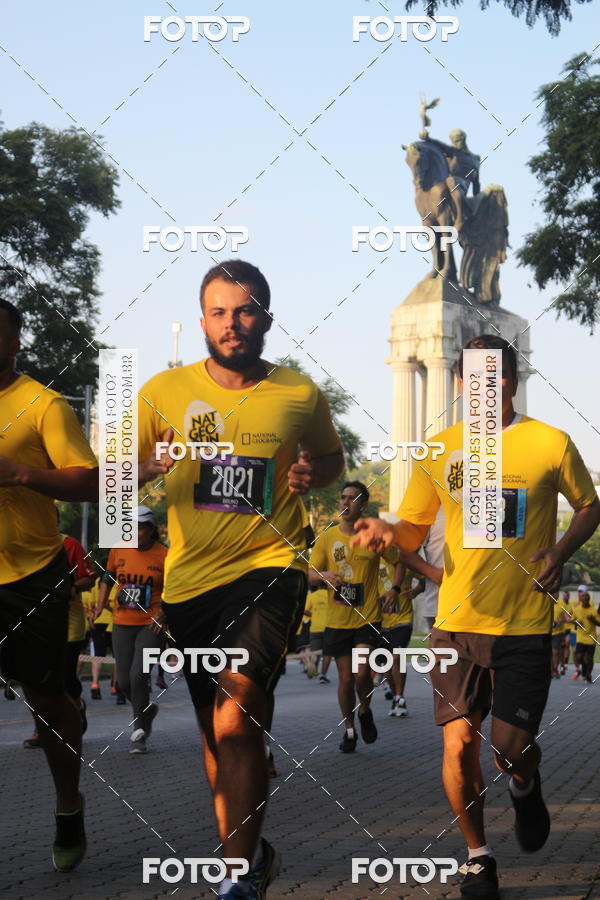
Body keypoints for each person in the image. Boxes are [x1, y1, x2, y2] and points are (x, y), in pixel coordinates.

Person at [350, 334, 600, 900]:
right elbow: (413, 529)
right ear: (461, 383)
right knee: (458, 745)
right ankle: (478, 857)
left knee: (509, 747)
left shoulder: (550, 443)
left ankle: (524, 782)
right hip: (456, 623)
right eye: (475, 378)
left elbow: (590, 505)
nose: (486, 388)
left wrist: (560, 551)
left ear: (513, 381)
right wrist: (388, 531)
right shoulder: (439, 450)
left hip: (524, 623)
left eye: (498, 377)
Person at [136, 260, 343, 899]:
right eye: (220, 312)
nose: (232, 323)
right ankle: (251, 850)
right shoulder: (161, 392)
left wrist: (312, 474)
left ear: (266, 319)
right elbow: (111, 479)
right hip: (190, 582)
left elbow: (331, 459)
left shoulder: (298, 393)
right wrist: (145, 465)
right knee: (214, 732)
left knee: (238, 718)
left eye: (245, 310)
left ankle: (237, 880)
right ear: (203, 321)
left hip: (269, 565)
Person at [0, 298, 98, 871]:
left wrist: (19, 473)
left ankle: (68, 803)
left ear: (15, 341)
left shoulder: (43, 404)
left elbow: (87, 483)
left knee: (47, 699)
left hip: (30, 575)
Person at [309, 481, 395, 753]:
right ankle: (349, 729)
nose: (345, 502)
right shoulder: (327, 538)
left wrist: (394, 589)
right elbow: (309, 573)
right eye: (342, 497)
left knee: (361, 674)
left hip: (367, 617)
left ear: (363, 505)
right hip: (336, 621)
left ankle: (365, 710)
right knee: (345, 680)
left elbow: (399, 560)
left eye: (352, 498)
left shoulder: (373, 536)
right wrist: (323, 575)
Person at [92, 506, 167, 754]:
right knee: (123, 682)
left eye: (140, 528)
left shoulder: (165, 555)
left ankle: (138, 734)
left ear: (151, 529)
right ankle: (147, 711)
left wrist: (163, 613)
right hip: (122, 623)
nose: (134, 532)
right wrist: (99, 606)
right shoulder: (118, 549)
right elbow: (108, 578)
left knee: (138, 676)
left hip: (151, 624)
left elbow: (174, 588)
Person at [23, 528, 95, 747]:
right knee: (37, 680)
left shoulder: (69, 544)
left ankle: (75, 712)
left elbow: (88, 579)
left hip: (68, 624)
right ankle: (42, 728)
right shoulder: (23, 545)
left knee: (65, 678)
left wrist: (71, 587)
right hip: (35, 623)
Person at [377, 555, 423, 716]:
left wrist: (416, 590)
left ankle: (399, 697)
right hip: (380, 621)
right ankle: (394, 693)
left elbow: (423, 580)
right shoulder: (374, 561)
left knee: (397, 657)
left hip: (403, 618)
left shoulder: (406, 560)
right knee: (386, 663)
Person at [571, 590, 600, 683]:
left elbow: (599, 623)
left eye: (587, 596)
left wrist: (593, 620)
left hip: (591, 637)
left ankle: (588, 674)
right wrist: (577, 623)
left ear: (589, 599)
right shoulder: (577, 609)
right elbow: (573, 621)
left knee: (589, 658)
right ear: (581, 599)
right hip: (581, 637)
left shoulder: (593, 610)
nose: (585, 598)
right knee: (579, 656)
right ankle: (584, 668)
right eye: (583, 596)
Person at [306, 585, 331, 683]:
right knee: (327, 652)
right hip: (328, 627)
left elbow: (305, 610)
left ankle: (313, 668)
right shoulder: (331, 595)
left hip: (315, 628)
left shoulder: (312, 596)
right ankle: (323, 675)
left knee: (315, 651)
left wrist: (314, 615)